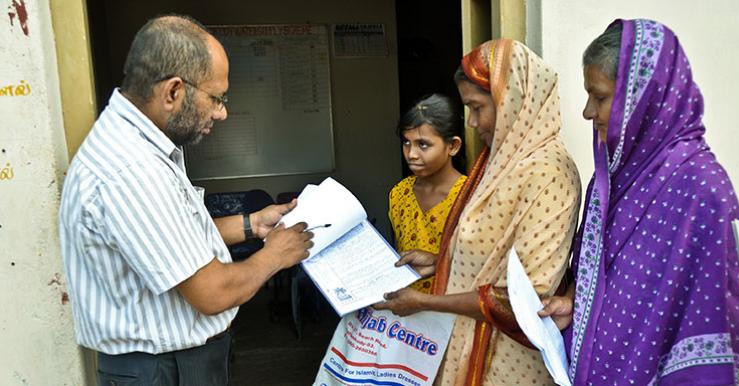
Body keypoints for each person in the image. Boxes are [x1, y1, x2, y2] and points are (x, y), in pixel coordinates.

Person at [58, 15, 313, 385]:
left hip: (173, 363)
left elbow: (169, 236)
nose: (222, 112)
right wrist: (276, 255)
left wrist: (251, 225)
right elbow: (213, 292)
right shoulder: (132, 169)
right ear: (174, 91)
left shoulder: (139, 144)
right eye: (216, 98)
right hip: (161, 370)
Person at [374, 39, 581, 385]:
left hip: (507, 362)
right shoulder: (500, 163)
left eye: (477, 107)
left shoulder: (549, 173)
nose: (471, 123)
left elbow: (525, 295)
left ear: (512, 101)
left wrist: (425, 302)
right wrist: (442, 258)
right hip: (468, 345)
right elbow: (491, 253)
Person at [561, 19, 739, 385]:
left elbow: (710, 333)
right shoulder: (617, 179)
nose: (587, 112)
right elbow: (602, 281)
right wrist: (572, 300)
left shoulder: (704, 194)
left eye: (599, 97)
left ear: (644, 98)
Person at [389, 94, 466, 294]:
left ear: (453, 146)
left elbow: (482, 265)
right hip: (407, 312)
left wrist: (437, 261)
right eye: (406, 143)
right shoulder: (399, 194)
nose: (411, 154)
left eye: (423, 144)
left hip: (453, 309)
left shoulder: (470, 195)